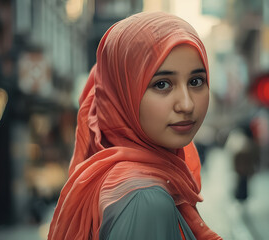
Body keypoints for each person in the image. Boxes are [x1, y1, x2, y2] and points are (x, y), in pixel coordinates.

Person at [48, 12, 222, 240]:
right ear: (122, 95)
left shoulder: (125, 183)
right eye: (162, 84)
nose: (187, 104)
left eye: (196, 81)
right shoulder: (144, 200)